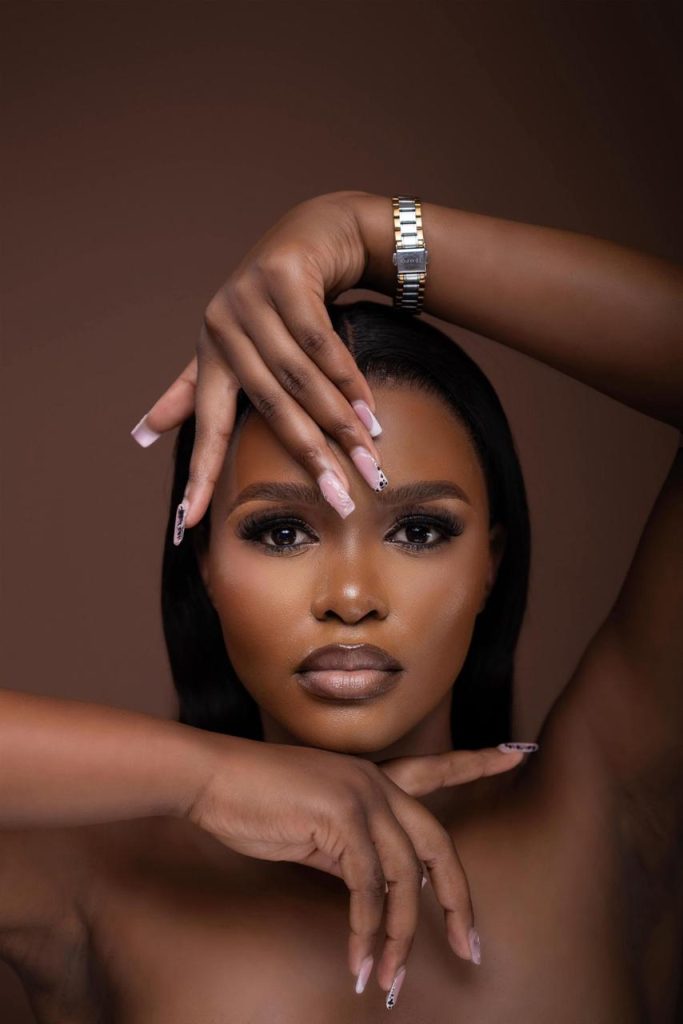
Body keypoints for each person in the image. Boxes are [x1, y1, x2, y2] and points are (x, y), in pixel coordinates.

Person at [1, 190, 681, 1022]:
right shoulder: (93, 878)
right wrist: (201, 778)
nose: (352, 599)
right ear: (205, 564)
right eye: (283, 532)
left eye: (422, 531)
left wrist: (367, 233)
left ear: (490, 566)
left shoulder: (602, 818)